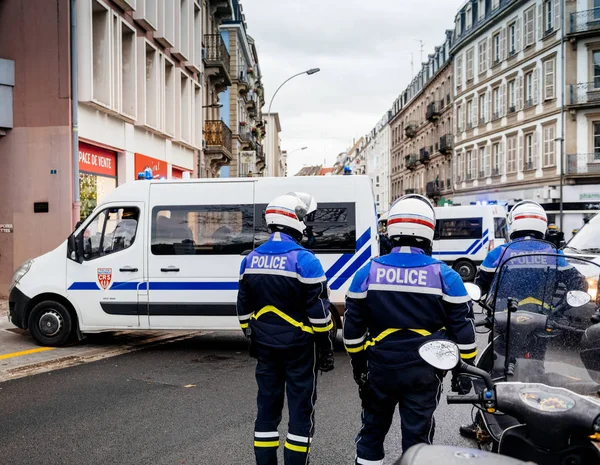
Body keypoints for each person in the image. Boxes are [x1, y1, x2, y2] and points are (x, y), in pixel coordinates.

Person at [344, 194, 477, 464]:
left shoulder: (367, 272)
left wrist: (359, 366)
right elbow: (463, 332)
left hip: (381, 367)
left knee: (371, 435)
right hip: (424, 371)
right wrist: (463, 372)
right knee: (417, 442)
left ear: (392, 230)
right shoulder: (446, 276)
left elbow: (352, 332)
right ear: (428, 231)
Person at [459, 200, 586, 438]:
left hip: (505, 321)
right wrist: (559, 308)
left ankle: (481, 424)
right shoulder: (554, 253)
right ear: (542, 226)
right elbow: (577, 283)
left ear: (513, 225)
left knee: (493, 374)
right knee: (538, 373)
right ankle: (539, 422)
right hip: (541, 324)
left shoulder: (499, 253)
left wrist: (485, 302)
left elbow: (480, 286)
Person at [236, 192, 335, 465]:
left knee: (266, 410)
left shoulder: (250, 259)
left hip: (265, 346)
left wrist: (251, 334)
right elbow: (319, 313)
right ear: (294, 221)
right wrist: (326, 347)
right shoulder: (306, 260)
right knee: (301, 412)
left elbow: (243, 308)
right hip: (300, 348)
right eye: (302, 218)